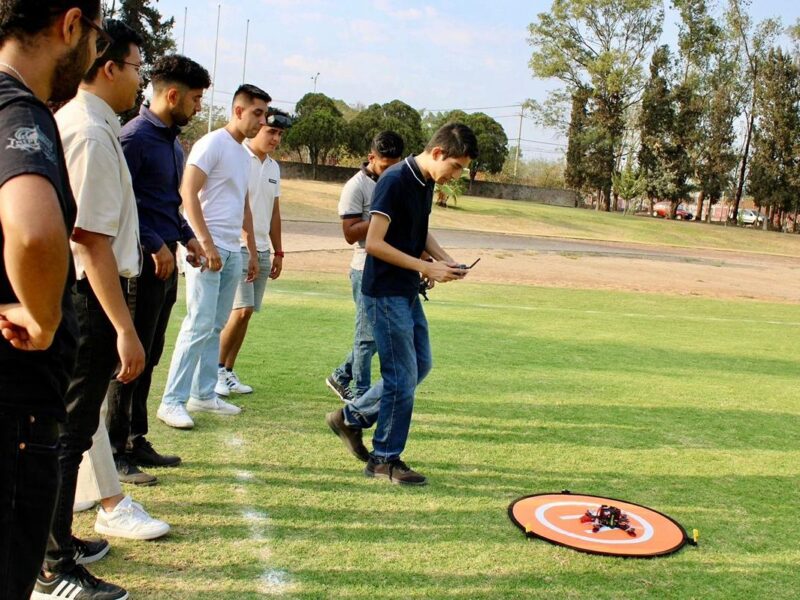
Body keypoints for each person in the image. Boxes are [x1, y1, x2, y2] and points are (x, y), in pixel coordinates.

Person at [36, 20, 168, 600]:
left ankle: (58, 536)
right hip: (89, 296)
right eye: (138, 66)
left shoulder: (94, 124)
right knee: (69, 432)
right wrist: (124, 328)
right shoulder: (88, 130)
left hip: (89, 290)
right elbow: (89, 239)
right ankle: (51, 565)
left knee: (74, 427)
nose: (141, 80)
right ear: (109, 66)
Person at [0, 2, 102, 597]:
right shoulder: (20, 112)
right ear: (70, 26)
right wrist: (41, 319)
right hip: (15, 402)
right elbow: (35, 230)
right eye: (95, 37)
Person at [328, 123, 478, 486]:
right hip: (384, 292)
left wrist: (445, 260)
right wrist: (427, 266)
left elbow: (418, 230)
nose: (456, 175)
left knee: (420, 365)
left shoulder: (425, 182)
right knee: (401, 378)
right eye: (456, 167)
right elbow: (374, 243)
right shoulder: (394, 180)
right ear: (439, 153)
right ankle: (384, 459)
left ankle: (351, 418)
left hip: (406, 289)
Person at [105, 54, 210, 483]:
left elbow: (166, 203)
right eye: (197, 99)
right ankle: (113, 453)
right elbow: (121, 206)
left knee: (150, 355)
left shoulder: (170, 141)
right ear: (173, 94)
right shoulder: (134, 139)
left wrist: (187, 238)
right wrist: (154, 243)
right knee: (129, 358)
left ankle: (135, 437)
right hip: (140, 264)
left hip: (167, 262)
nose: (199, 107)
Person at [157, 84, 269, 429]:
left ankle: (204, 394)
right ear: (238, 111)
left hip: (232, 249)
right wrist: (204, 243)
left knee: (215, 325)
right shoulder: (212, 144)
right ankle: (171, 401)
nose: (262, 121)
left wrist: (249, 249)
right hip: (209, 249)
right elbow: (187, 193)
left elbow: (243, 204)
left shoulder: (241, 152)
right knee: (198, 324)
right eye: (257, 113)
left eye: (264, 114)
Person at [325, 131, 404, 406]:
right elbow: (349, 233)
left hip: (391, 267)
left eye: (395, 165)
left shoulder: (397, 182)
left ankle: (341, 375)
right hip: (364, 267)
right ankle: (360, 394)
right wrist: (382, 219)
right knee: (366, 336)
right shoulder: (356, 186)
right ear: (371, 158)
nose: (390, 171)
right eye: (385, 165)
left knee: (376, 335)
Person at [216, 108, 290, 396]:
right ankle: (215, 369)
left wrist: (279, 252)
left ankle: (228, 370)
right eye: (272, 131)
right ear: (258, 126)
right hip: (236, 245)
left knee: (248, 314)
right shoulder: (237, 157)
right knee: (240, 309)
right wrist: (247, 244)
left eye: (280, 134)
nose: (276, 138)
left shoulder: (273, 167)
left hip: (262, 248)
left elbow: (274, 212)